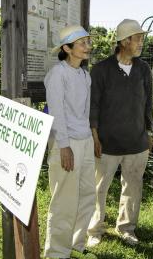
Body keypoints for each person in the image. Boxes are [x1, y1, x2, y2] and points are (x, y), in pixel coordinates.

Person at [86, 19, 153, 247]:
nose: (142, 42)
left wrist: (149, 132)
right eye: (138, 38)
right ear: (125, 41)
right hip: (107, 144)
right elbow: (93, 106)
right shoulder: (101, 70)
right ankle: (95, 229)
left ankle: (126, 228)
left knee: (133, 187)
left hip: (137, 142)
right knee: (99, 188)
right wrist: (95, 137)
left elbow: (148, 104)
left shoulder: (143, 69)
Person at [44, 25, 97, 259]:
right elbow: (56, 113)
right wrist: (64, 146)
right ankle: (56, 253)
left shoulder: (84, 75)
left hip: (84, 141)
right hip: (65, 143)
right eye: (82, 43)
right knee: (64, 200)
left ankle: (76, 244)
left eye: (88, 41)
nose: (88, 47)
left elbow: (84, 114)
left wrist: (91, 138)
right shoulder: (58, 74)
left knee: (87, 195)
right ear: (67, 48)